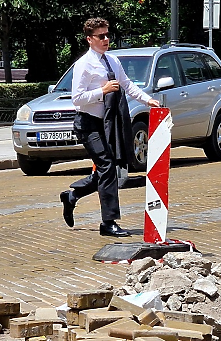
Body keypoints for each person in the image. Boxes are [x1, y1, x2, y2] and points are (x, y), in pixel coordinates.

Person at [60, 17, 161, 237]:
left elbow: (127, 85)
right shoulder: (84, 64)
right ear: (89, 39)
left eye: (108, 35)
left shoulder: (112, 61)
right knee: (106, 167)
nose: (106, 40)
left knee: (109, 167)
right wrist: (103, 91)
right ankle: (108, 222)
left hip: (108, 121)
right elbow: (77, 99)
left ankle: (72, 196)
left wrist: (148, 100)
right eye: (101, 36)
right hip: (88, 123)